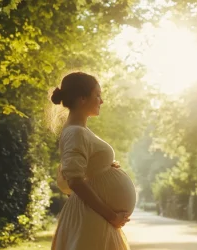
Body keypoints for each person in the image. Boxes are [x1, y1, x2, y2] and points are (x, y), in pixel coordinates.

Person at [50, 72, 136, 250]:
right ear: (82, 98)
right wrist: (112, 216)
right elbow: (74, 182)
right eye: (97, 95)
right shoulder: (76, 132)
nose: (101, 101)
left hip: (93, 218)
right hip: (90, 219)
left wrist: (105, 167)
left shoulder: (79, 131)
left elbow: (79, 173)